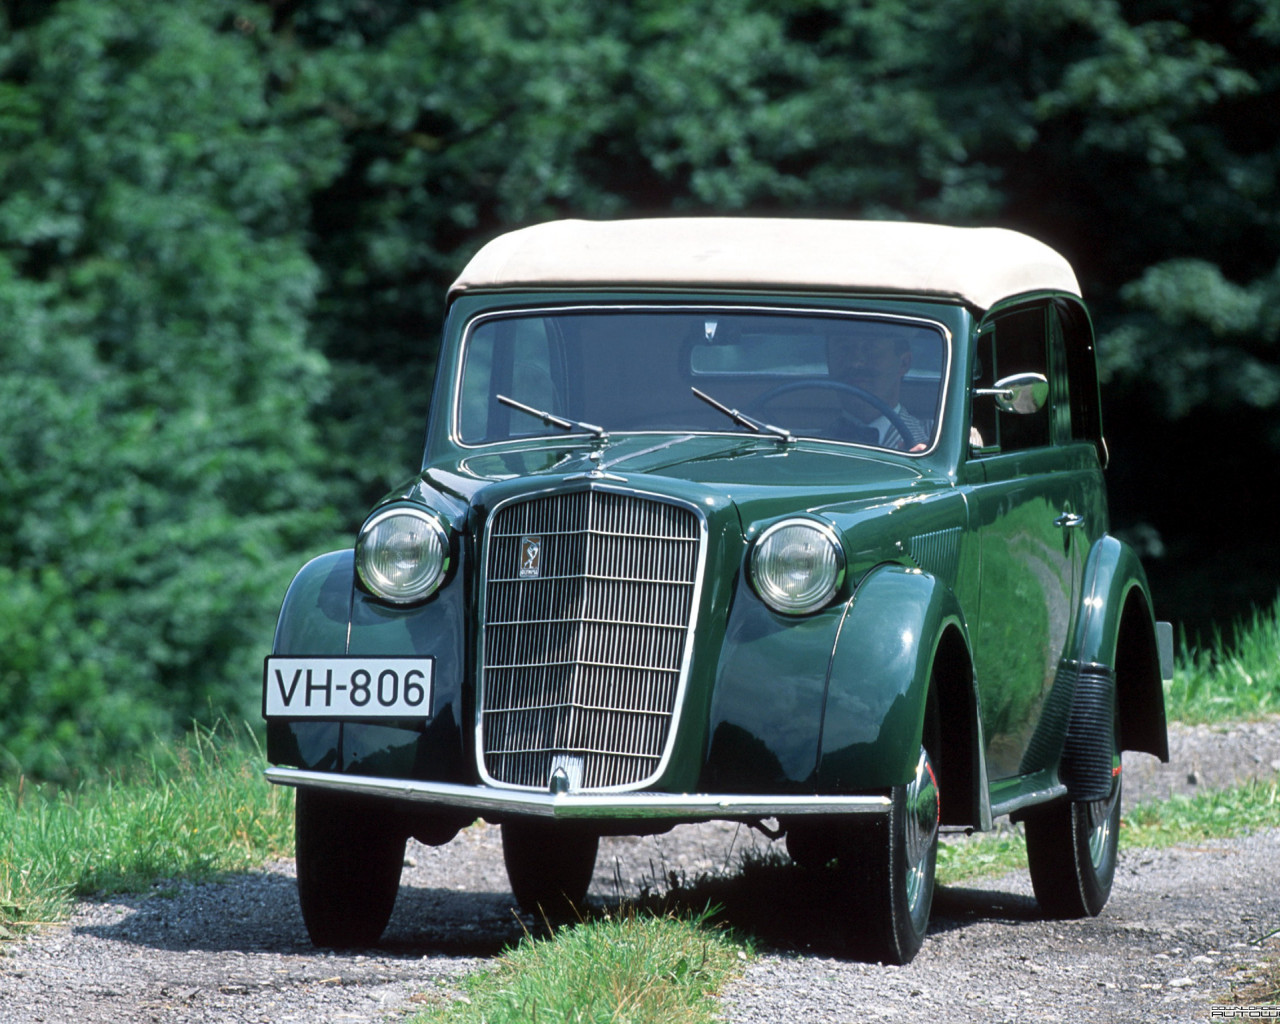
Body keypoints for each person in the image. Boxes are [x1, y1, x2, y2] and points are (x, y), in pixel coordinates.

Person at [825, 323, 933, 451]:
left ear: (904, 363)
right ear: (829, 362)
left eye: (870, 348)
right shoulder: (804, 443)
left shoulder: (938, 439)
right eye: (844, 349)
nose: (856, 363)